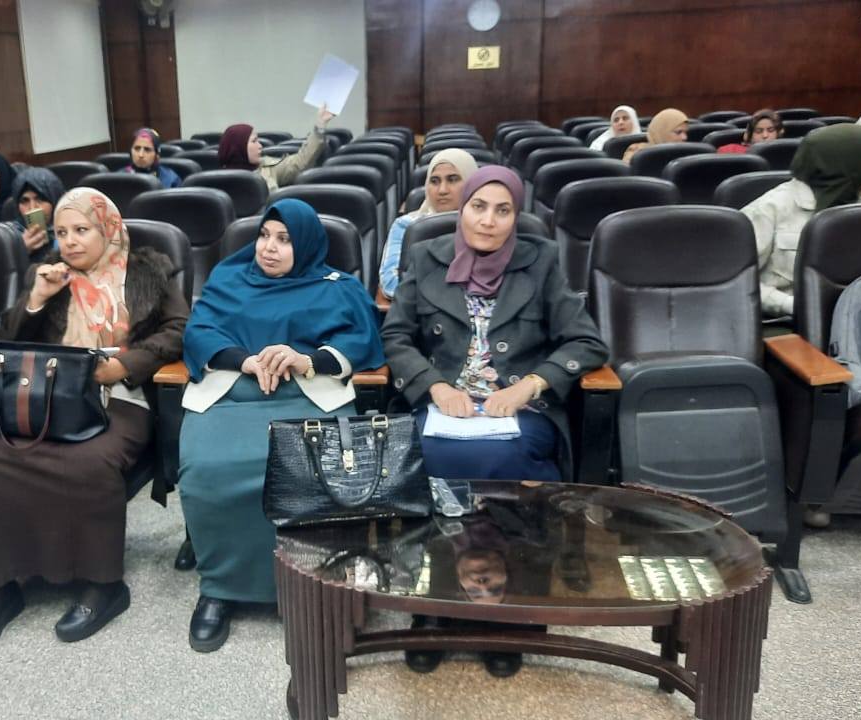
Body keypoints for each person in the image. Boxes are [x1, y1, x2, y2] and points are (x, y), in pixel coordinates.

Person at [381, 165, 607, 678]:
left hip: (518, 410)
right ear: (462, 209)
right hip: (443, 406)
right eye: (478, 207)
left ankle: (511, 611)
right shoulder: (426, 256)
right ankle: (431, 606)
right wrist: (435, 387)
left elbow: (586, 341)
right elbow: (396, 337)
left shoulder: (541, 260)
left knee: (511, 456)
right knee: (424, 453)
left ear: (516, 215)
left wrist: (531, 385)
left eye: (503, 210)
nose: (488, 220)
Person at [0, 188, 188, 652]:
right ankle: (1, 587)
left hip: (121, 396)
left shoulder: (147, 271)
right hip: (50, 394)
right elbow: (5, 341)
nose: (70, 241)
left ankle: (103, 585)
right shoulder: (49, 274)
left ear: (108, 228)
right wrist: (37, 299)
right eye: (61, 232)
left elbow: (180, 330)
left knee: (89, 459)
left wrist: (125, 365)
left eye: (82, 230)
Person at [179, 199, 385, 653]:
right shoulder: (229, 278)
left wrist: (305, 359)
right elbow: (199, 332)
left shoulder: (338, 287)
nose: (269, 248)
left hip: (307, 394)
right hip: (232, 393)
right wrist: (245, 360)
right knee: (208, 471)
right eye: (264, 236)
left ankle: (315, 583)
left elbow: (363, 338)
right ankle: (219, 589)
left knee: (311, 474)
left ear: (307, 245)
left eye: (285, 240)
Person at [743, 123, 861, 321]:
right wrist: (790, 304)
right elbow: (738, 281)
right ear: (848, 165)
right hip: (789, 321)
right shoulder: (770, 209)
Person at [378, 148, 479, 298]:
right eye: (434, 181)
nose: (442, 190)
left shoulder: (486, 225)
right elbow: (391, 284)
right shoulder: (406, 225)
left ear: (472, 183)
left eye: (452, 179)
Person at [217, 105, 336, 192]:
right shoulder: (217, 180)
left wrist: (320, 126)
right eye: (254, 141)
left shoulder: (267, 167)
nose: (260, 146)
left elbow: (299, 163)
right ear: (238, 148)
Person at [7, 166, 66, 259]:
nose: (32, 207)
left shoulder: (72, 232)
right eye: (24, 201)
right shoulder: (9, 236)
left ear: (55, 201)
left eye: (40, 199)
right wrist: (20, 252)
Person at [621, 108, 688, 164]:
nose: (685, 137)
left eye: (685, 132)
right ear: (662, 132)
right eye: (678, 132)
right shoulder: (636, 153)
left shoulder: (686, 154)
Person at [718, 109, 783, 154]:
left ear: (779, 133)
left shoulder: (785, 151)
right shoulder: (730, 150)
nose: (765, 135)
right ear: (749, 134)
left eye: (771, 130)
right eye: (758, 131)